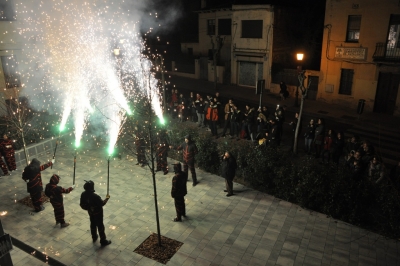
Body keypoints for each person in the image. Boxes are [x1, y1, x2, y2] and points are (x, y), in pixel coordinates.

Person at [80, 180, 111, 246]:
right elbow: (102, 203)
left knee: (93, 224)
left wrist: (89, 208)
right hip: (98, 213)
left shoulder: (83, 194)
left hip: (91, 213)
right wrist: (107, 198)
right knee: (100, 226)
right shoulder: (95, 197)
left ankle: (94, 236)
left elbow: (82, 204)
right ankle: (103, 240)